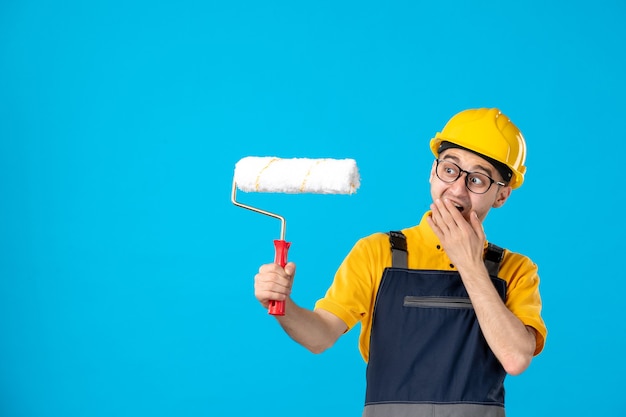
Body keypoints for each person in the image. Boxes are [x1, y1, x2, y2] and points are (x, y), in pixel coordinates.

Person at [253, 108, 547, 417]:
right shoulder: (378, 252)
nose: (457, 189)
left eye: (477, 179)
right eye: (450, 170)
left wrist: (470, 264)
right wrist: (283, 305)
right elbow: (320, 336)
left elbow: (516, 358)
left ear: (501, 196)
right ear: (433, 172)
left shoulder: (515, 270)